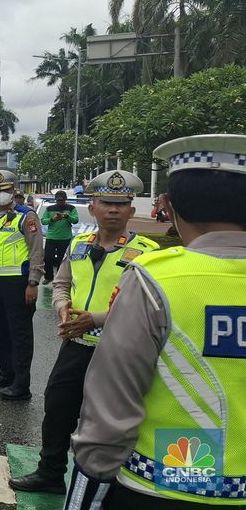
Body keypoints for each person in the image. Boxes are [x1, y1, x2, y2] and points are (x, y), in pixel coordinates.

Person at [65, 134, 246, 509]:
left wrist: (87, 489)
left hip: (173, 479)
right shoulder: (92, 249)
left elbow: (111, 411)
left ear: (166, 206)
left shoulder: (156, 279)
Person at [8, 170, 158, 495]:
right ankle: (51, 473)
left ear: (132, 211)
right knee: (57, 407)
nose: (113, 210)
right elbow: (62, 284)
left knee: (110, 419)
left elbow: (148, 306)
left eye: (122, 204)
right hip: (76, 344)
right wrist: (62, 307)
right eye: (106, 203)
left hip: (118, 351)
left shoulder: (148, 253)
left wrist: (97, 319)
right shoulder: (78, 245)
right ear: (92, 208)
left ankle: (114, 482)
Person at [0, 170, 45, 401]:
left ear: (13, 190)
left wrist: (33, 282)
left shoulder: (26, 216)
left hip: (17, 283)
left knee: (19, 335)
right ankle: (6, 373)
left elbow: (36, 251)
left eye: (5, 190)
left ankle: (21, 385)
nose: (1, 194)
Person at [42, 190, 80, 284]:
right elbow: (43, 221)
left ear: (65, 199)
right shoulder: (49, 209)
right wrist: (52, 219)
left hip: (65, 238)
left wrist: (67, 217)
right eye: (58, 200)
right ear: (55, 200)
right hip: (51, 237)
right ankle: (48, 277)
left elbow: (76, 220)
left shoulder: (71, 208)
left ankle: (60, 278)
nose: (60, 202)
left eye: (62, 200)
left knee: (62, 260)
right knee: (48, 258)